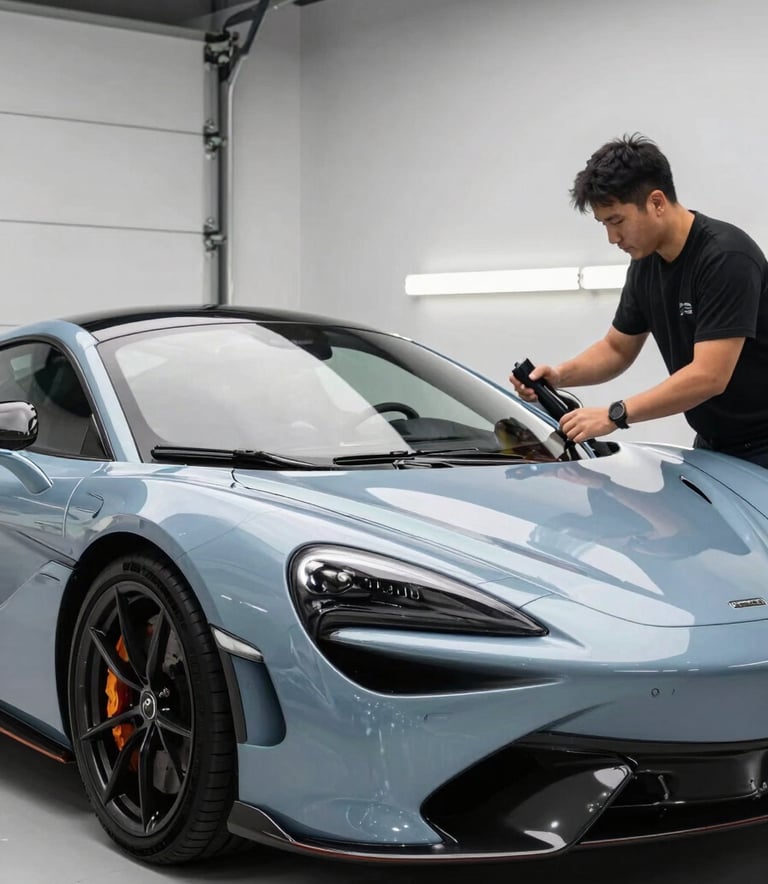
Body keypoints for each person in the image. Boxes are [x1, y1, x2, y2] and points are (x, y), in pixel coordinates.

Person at [510, 133, 768, 467]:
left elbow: (709, 376)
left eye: (617, 221)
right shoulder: (646, 263)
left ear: (657, 203)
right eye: (604, 224)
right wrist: (559, 375)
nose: (612, 237)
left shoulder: (726, 257)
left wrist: (615, 414)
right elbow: (616, 348)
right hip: (714, 443)